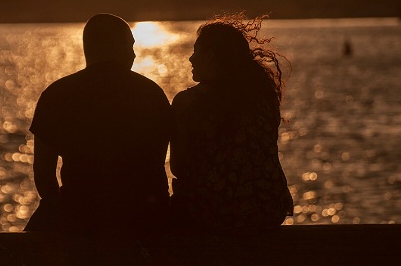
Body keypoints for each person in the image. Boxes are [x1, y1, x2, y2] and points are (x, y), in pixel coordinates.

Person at [25, 14, 171, 242]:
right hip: (144, 217)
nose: (133, 54)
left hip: (80, 214)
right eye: (129, 45)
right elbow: (156, 165)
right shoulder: (151, 93)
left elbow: (43, 174)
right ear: (114, 45)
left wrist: (59, 214)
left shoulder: (55, 95)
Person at [169, 13, 293, 233]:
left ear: (212, 56)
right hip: (266, 209)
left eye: (196, 51)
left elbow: (179, 167)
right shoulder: (262, 97)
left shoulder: (189, 102)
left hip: (211, 212)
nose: (191, 58)